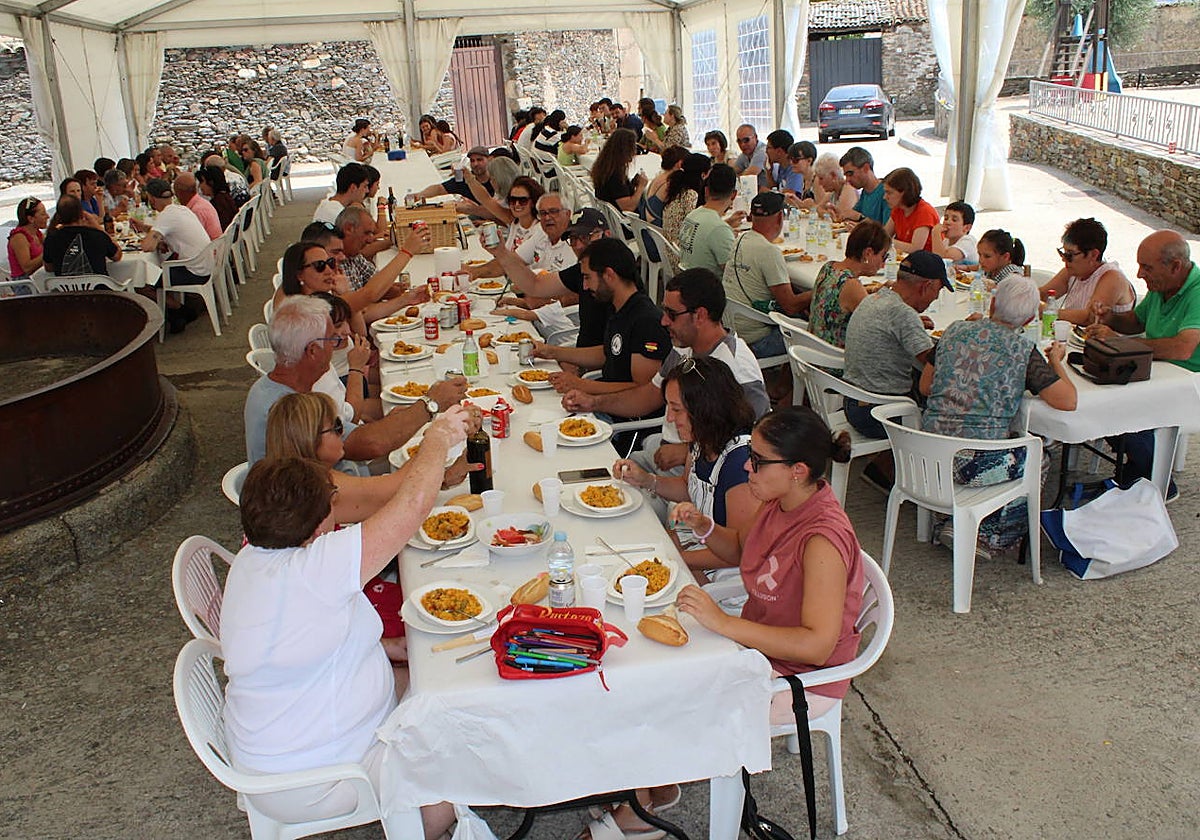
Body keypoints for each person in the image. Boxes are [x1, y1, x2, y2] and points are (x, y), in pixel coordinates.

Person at [223, 421, 468, 838]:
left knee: (438, 681)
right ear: (320, 524)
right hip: (318, 777)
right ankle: (419, 822)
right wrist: (438, 437)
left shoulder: (253, 559)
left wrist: (389, 647)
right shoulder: (316, 568)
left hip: (276, 748)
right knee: (474, 736)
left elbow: (311, 639)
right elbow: (412, 508)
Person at [674, 406, 864, 731]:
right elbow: (739, 550)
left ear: (798, 471)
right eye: (751, 453)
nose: (748, 465)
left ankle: (672, 775)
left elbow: (816, 647)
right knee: (666, 671)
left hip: (802, 678)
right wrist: (704, 526)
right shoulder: (778, 501)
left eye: (759, 461)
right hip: (761, 651)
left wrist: (723, 623)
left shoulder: (822, 541)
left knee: (678, 703)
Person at [919, 276, 1077, 554]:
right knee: (1040, 457)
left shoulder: (954, 331)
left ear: (992, 304)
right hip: (974, 466)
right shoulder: (1023, 351)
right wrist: (1055, 362)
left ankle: (948, 519)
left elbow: (925, 386)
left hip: (928, 455)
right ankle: (988, 535)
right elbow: (1068, 400)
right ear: (1029, 321)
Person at [566, 267, 769, 476]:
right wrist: (594, 402)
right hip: (662, 453)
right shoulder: (682, 348)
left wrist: (687, 452)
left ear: (700, 316)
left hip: (694, 474)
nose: (663, 321)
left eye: (671, 314)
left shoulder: (737, 366)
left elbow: (754, 438)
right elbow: (648, 396)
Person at [245, 295, 467, 466]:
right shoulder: (289, 410)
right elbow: (368, 444)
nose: (338, 343)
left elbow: (352, 431)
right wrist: (432, 403)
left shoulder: (274, 387)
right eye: (332, 338)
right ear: (312, 351)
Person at [613, 356, 761, 576]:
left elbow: (739, 554)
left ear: (705, 409)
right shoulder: (702, 439)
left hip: (722, 574)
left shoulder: (741, 464)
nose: (670, 419)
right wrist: (646, 480)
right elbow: (688, 487)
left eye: (676, 409)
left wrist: (673, 559)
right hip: (695, 544)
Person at [1089, 230, 1200, 497]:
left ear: (1175, 266)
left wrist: (1122, 346)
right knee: (1100, 396)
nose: (1139, 275)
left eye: (1146, 268)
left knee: (1124, 408)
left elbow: (1183, 348)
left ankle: (1158, 480)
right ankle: (1139, 466)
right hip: (1158, 373)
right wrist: (1109, 317)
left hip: (1189, 384)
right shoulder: (1163, 286)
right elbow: (1136, 323)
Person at [842, 251, 947, 493]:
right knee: (946, 407)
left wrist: (914, 325)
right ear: (926, 286)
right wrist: (959, 334)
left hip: (853, 401)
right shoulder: (902, 314)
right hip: (877, 413)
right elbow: (936, 363)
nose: (934, 298)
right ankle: (923, 481)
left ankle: (884, 466)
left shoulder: (877, 298)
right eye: (937, 291)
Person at [532, 238, 671, 418]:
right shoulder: (619, 308)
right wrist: (552, 352)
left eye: (587, 277)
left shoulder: (646, 322)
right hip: (602, 404)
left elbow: (643, 389)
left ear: (609, 275)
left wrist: (581, 385)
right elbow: (608, 353)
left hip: (622, 421)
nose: (584, 286)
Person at [485, 205, 610, 349]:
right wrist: (500, 253)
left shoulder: (616, 272)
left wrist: (556, 354)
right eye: (573, 239)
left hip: (597, 364)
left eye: (586, 237)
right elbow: (535, 284)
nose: (579, 245)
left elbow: (610, 351)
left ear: (607, 234)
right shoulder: (582, 269)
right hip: (582, 355)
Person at [722, 191, 808, 360]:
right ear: (779, 219)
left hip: (730, 328)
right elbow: (790, 305)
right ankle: (786, 384)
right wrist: (820, 290)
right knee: (811, 331)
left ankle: (785, 381)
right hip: (755, 340)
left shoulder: (740, 238)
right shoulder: (769, 252)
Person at [139, 178, 215, 332]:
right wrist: (147, 229)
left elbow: (147, 246)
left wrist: (147, 238)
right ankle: (177, 314)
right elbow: (167, 231)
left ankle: (181, 310)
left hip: (194, 271)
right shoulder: (181, 209)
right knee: (158, 273)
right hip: (205, 264)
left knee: (142, 283)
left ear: (152, 199)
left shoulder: (166, 216)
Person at [808, 220, 891, 349]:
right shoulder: (851, 285)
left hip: (813, 351)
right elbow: (881, 326)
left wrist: (874, 290)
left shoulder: (829, 267)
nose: (883, 264)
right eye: (883, 257)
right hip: (833, 361)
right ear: (867, 253)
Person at [1039, 217, 1135, 326]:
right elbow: (1043, 294)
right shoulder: (1072, 271)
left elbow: (1090, 317)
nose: (1064, 259)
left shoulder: (1113, 277)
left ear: (1093, 255)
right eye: (1063, 253)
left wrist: (1047, 311)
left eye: (1070, 255)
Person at [678, 164, 741, 276]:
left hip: (689, 282)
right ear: (734, 195)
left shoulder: (693, 215)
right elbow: (734, 272)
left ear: (706, 191)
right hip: (710, 288)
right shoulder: (719, 229)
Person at [43, 195, 121, 276]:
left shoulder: (51, 239)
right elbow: (117, 255)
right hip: (98, 287)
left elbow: (49, 268)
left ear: (59, 216)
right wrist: (97, 227)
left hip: (65, 287)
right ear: (81, 214)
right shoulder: (97, 236)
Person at [661, 153, 710, 257]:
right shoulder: (691, 195)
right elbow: (697, 229)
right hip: (682, 257)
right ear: (703, 175)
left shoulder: (678, 190)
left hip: (671, 252)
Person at [590, 128, 647, 214]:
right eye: (633, 147)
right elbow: (628, 207)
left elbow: (617, 193)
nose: (635, 151)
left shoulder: (605, 166)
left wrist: (631, 184)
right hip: (622, 222)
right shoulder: (615, 175)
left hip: (609, 215)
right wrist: (641, 187)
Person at [883, 167, 939, 253]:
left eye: (889, 193)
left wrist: (885, 241)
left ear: (904, 192)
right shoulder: (898, 209)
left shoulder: (925, 212)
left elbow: (915, 248)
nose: (885, 197)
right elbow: (884, 234)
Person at [416, 146, 494, 205]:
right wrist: (418, 195)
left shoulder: (496, 180)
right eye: (472, 161)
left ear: (489, 159)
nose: (475, 164)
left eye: (479, 160)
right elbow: (439, 188)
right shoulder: (463, 179)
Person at [835, 147, 887, 225]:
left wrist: (860, 217)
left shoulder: (886, 192)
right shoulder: (865, 191)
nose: (847, 180)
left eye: (850, 174)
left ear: (866, 168)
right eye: (846, 176)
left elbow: (886, 232)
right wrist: (838, 213)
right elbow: (852, 215)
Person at [644, 145, 689, 227]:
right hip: (657, 231)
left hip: (647, 226)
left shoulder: (658, 178)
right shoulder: (669, 183)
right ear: (680, 164)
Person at [8, 197, 47, 279]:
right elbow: (27, 268)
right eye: (43, 214)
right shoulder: (19, 237)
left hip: (38, 278)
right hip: (25, 283)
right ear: (31, 219)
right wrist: (48, 252)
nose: (47, 216)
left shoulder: (37, 233)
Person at [174, 171, 221, 240]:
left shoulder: (197, 211)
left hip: (210, 247)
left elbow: (191, 239)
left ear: (181, 193)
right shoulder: (201, 202)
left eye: (176, 193)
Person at [930, 201, 978, 266]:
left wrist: (935, 233)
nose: (947, 222)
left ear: (967, 228)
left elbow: (943, 259)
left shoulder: (968, 241)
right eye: (946, 218)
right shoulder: (946, 241)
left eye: (954, 220)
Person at [813, 153, 856, 220]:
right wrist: (827, 214)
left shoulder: (848, 187)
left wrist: (827, 214)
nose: (819, 183)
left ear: (833, 175)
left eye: (821, 178)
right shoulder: (833, 191)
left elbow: (840, 216)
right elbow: (818, 209)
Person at [196, 165, 238, 231]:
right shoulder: (226, 197)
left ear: (211, 182)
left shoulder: (217, 204)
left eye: (202, 182)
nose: (200, 186)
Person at [780, 141, 818, 206]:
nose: (791, 163)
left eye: (795, 160)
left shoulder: (818, 180)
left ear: (809, 161)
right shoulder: (805, 179)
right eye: (790, 159)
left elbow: (822, 209)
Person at [733, 124, 768, 189]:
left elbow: (749, 177)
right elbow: (731, 174)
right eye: (739, 141)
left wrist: (740, 175)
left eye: (746, 140)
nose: (742, 144)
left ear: (755, 137)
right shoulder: (745, 154)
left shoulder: (762, 152)